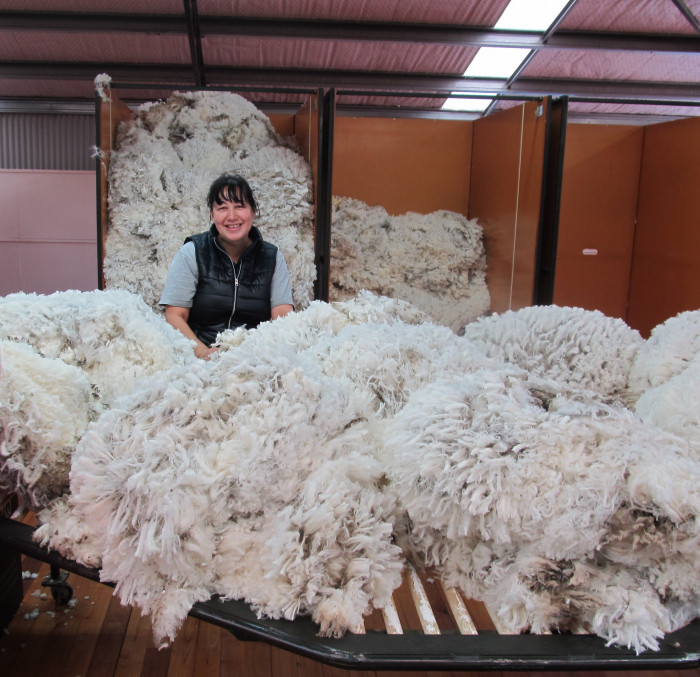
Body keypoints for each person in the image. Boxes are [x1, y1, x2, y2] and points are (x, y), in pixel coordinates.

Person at [160, 173, 294, 359]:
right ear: (212, 214)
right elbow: (175, 314)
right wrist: (202, 353)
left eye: (239, 206)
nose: (232, 216)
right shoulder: (192, 252)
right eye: (222, 208)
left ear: (253, 212)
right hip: (197, 356)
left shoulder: (272, 257)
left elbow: (282, 314)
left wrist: (254, 353)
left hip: (255, 356)